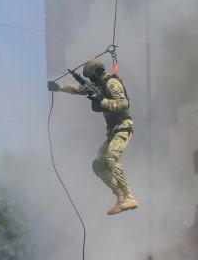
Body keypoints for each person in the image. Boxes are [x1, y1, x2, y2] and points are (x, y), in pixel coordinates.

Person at [47, 58, 139, 215]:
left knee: (111, 159)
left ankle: (129, 196)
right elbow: (79, 89)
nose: (90, 80)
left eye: (90, 77)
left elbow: (123, 104)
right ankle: (120, 198)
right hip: (112, 131)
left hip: (123, 127)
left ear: (95, 72)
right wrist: (59, 88)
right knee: (99, 165)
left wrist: (102, 101)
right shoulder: (98, 85)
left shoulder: (111, 83)